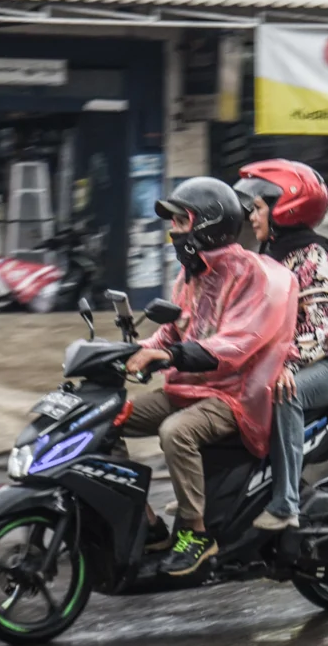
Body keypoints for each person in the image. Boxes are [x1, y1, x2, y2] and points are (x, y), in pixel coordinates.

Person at [117, 176, 297, 576]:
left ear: (206, 225)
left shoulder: (251, 274)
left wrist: (169, 354)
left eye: (181, 221)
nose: (174, 230)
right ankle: (147, 526)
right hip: (190, 387)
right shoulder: (191, 274)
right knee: (107, 420)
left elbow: (236, 345)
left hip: (235, 396)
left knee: (176, 433)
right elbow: (174, 330)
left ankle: (197, 533)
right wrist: (136, 350)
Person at [234, 159, 328, 531]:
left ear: (285, 209)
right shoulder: (269, 255)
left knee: (285, 393)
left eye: (259, 208)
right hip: (289, 359)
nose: (252, 216)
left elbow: (318, 328)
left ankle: (285, 505)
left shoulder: (313, 256)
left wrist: (287, 366)